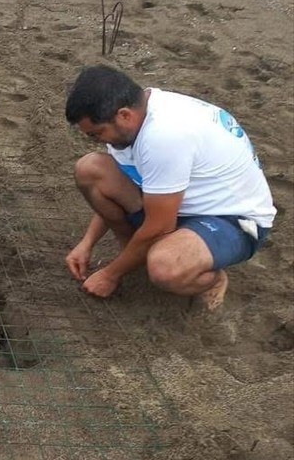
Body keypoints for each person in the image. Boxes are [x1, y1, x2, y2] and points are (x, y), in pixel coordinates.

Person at [64, 65, 275, 310]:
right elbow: (125, 183)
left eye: (97, 133)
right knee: (90, 170)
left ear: (124, 115)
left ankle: (212, 278)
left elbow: (160, 226)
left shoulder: (164, 136)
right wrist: (87, 243)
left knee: (165, 267)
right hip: (178, 201)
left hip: (232, 219)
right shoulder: (132, 120)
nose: (97, 140)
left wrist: (110, 275)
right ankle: (134, 253)